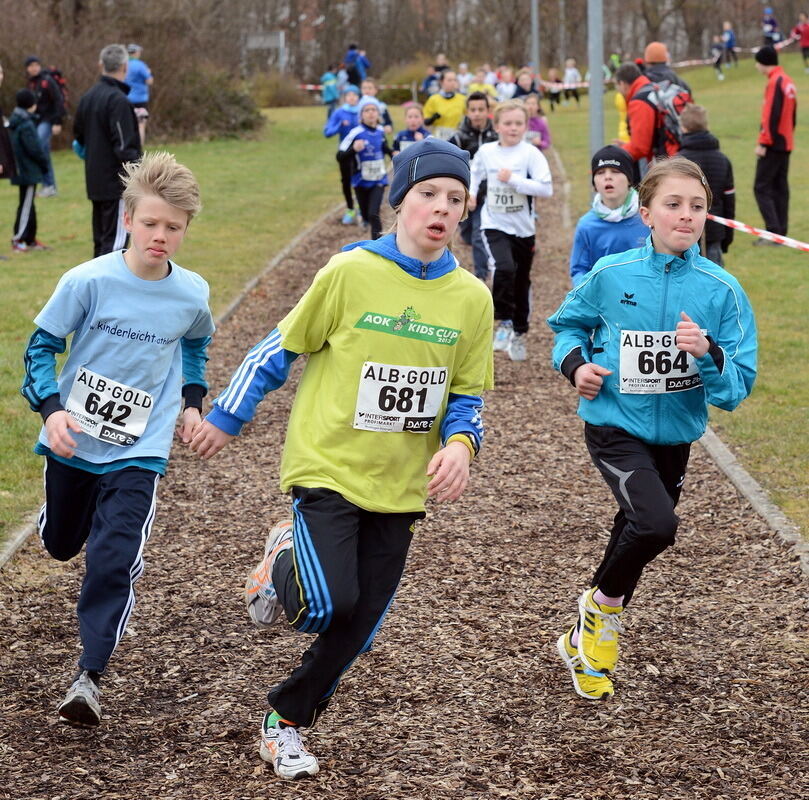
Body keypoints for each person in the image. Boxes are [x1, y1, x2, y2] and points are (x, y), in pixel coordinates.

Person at [189, 136, 493, 781]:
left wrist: (462, 446)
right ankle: (282, 559)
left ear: (465, 211)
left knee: (361, 620)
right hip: (328, 467)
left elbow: (468, 394)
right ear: (399, 202)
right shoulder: (349, 271)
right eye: (428, 194)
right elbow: (278, 348)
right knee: (328, 603)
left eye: (455, 199)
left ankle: (286, 721)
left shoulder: (471, 297)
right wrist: (226, 416)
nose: (441, 208)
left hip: (402, 485)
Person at [548, 156, 757, 701]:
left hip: (677, 435)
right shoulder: (612, 275)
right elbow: (567, 326)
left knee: (636, 525)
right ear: (646, 214)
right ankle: (601, 613)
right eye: (673, 204)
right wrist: (577, 367)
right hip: (614, 424)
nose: (686, 215)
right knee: (658, 524)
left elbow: (737, 388)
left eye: (697, 206)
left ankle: (584, 632)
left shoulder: (722, 290)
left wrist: (708, 352)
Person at [20, 151, 215, 726]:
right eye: (150, 223)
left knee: (114, 557)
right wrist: (52, 411)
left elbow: (194, 345)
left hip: (140, 449)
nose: (160, 236)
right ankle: (56, 516)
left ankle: (89, 674)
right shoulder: (88, 280)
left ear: (185, 231)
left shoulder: (191, 293)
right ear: (127, 218)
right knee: (60, 544)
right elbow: (40, 347)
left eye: (173, 228)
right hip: (75, 440)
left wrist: (192, 403)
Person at [469, 99, 553, 361]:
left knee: (521, 280)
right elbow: (475, 173)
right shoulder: (486, 151)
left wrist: (515, 180)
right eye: (508, 123)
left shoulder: (531, 154)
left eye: (519, 123)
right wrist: (470, 194)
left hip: (523, 228)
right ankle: (503, 322)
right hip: (494, 223)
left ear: (526, 126)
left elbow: (546, 188)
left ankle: (519, 332)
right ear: (497, 125)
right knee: (503, 268)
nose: (513, 128)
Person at [73, 44, 142, 258]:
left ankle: (97, 290)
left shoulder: (88, 97)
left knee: (102, 240)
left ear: (100, 65)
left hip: (95, 180)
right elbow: (124, 147)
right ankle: (107, 291)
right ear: (125, 67)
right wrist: (138, 179)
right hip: (117, 183)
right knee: (115, 247)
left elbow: (79, 138)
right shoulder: (117, 101)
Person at [569, 145, 648, 287]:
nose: (607, 177)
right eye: (600, 173)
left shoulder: (648, 219)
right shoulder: (587, 225)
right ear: (594, 184)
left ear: (630, 180)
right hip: (602, 302)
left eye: (615, 171)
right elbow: (579, 269)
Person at [450, 91, 499, 281]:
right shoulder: (459, 137)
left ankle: (481, 275)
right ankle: (469, 238)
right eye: (473, 110)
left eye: (481, 109)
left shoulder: (495, 135)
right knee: (468, 231)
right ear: (467, 112)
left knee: (479, 233)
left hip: (488, 192)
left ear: (488, 111)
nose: (477, 113)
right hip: (464, 192)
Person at [678, 104, 735, 266]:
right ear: (707, 126)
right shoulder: (722, 160)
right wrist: (727, 236)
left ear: (683, 127)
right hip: (713, 233)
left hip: (686, 231)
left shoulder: (677, 161)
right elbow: (730, 202)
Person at [753, 45, 797, 241]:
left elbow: (770, 115)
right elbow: (793, 116)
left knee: (761, 186)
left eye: (757, 62)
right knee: (780, 186)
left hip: (773, 143)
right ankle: (781, 231)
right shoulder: (788, 81)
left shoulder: (775, 82)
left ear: (763, 62)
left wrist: (764, 142)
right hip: (786, 141)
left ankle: (772, 232)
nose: (756, 66)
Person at [338, 100, 392, 240]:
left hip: (379, 179)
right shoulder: (355, 133)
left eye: (373, 110)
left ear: (378, 114)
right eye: (366, 110)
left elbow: (384, 147)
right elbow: (340, 156)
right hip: (360, 180)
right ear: (361, 115)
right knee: (367, 213)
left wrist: (393, 153)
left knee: (374, 213)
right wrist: (353, 149)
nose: (371, 113)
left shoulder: (380, 131)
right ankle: (365, 219)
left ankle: (378, 246)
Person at [9, 89, 50, 252]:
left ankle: (29, 238)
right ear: (30, 105)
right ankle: (18, 239)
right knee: (26, 205)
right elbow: (35, 149)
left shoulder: (17, 120)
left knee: (29, 204)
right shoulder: (26, 124)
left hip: (24, 171)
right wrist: (44, 164)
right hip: (27, 171)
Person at [24, 55, 65, 198]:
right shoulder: (31, 84)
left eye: (36, 65)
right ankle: (48, 186)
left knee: (40, 149)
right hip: (37, 121)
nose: (34, 68)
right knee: (43, 153)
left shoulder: (47, 81)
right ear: (27, 69)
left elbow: (59, 100)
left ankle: (49, 185)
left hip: (48, 120)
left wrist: (57, 121)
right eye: (31, 65)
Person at [323, 84, 361, 225]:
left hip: (361, 151)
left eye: (354, 95)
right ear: (344, 98)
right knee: (346, 181)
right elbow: (327, 132)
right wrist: (339, 125)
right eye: (349, 95)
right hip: (345, 152)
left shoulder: (362, 111)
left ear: (358, 97)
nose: (352, 98)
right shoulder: (339, 113)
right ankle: (350, 208)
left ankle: (361, 206)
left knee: (361, 179)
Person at [423, 70, 467, 140]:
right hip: (438, 137)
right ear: (441, 82)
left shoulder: (463, 99)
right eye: (449, 80)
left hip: (456, 137)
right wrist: (433, 118)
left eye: (454, 80)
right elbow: (426, 122)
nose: (453, 83)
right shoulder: (433, 99)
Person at [126, 44, 153, 145]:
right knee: (141, 125)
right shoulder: (141, 65)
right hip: (140, 99)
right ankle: (139, 148)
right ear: (136, 53)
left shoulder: (123, 65)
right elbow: (149, 81)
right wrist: (148, 73)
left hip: (126, 98)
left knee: (128, 125)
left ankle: (128, 146)